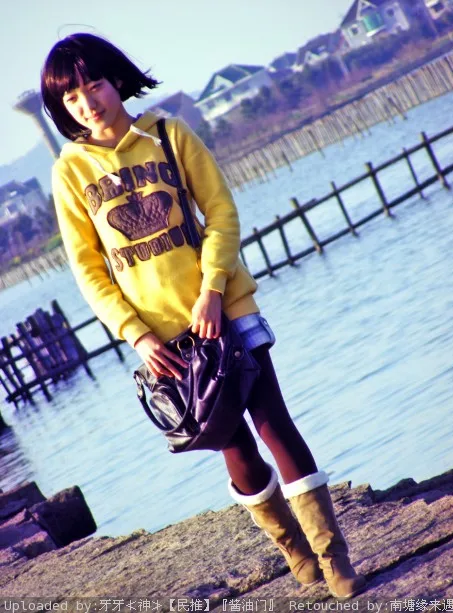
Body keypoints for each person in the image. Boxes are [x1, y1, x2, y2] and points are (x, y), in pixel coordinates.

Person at [41, 32, 366, 599]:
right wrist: (136, 335)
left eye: (94, 85)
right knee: (235, 448)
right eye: (71, 97)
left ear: (116, 80)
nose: (87, 103)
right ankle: (293, 548)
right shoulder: (70, 170)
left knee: (274, 423)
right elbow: (88, 270)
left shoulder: (168, 134)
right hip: (164, 339)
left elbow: (221, 212)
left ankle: (332, 555)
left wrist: (213, 289)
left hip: (227, 310)